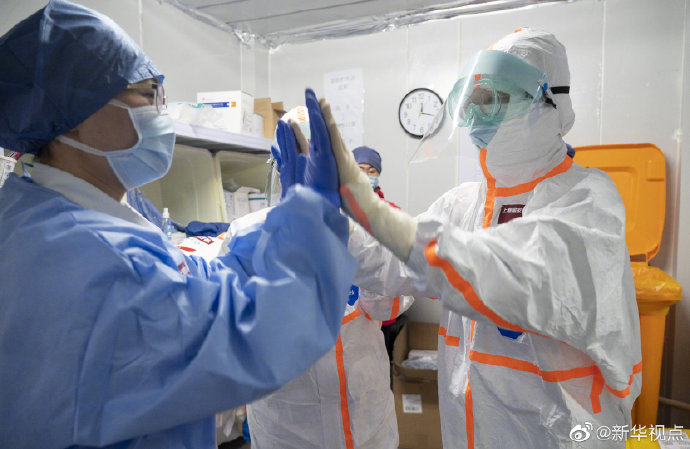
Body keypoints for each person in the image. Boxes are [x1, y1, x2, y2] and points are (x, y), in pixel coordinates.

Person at [0, 2, 355, 448]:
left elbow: (197, 282)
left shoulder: (33, 214)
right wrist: (317, 221)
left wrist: (288, 219)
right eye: (147, 94)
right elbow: (260, 338)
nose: (161, 111)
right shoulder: (103, 261)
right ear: (78, 114)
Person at [309, 28, 642, 448]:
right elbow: (395, 263)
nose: (479, 114)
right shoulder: (462, 203)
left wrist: (373, 212)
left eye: (495, 99)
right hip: (467, 433)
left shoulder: (588, 200)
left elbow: (516, 271)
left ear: (550, 102)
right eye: (475, 100)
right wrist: (330, 225)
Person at [242, 108, 411, 449]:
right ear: (280, 166)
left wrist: (344, 236)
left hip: (365, 416)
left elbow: (391, 303)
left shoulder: (362, 230)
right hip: (288, 426)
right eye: (300, 159)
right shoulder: (248, 233)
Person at [352, 145, 409, 362]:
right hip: (349, 305)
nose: (366, 175)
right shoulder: (340, 208)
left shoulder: (391, 212)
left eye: (371, 171)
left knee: (379, 363)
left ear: (378, 175)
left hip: (381, 304)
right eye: (359, 169)